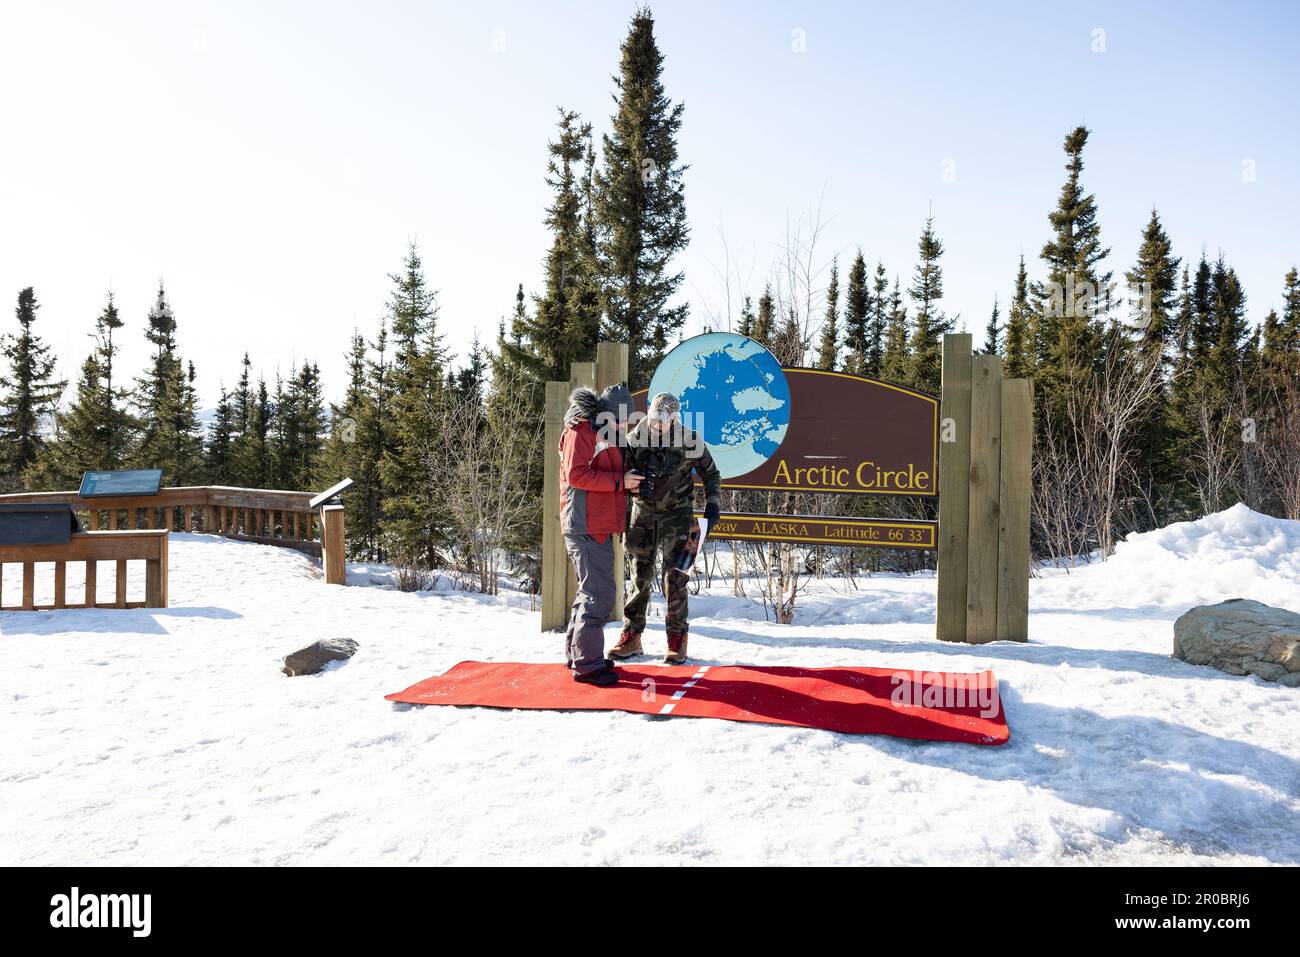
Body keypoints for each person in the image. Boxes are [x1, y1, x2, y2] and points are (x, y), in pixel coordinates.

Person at [611, 392, 721, 664]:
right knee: (639, 577)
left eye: (663, 420)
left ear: (674, 419)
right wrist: (628, 490)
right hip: (642, 514)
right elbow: (620, 478)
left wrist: (713, 504)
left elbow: (711, 473)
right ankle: (632, 635)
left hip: (677, 515)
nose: (656, 424)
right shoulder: (634, 439)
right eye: (653, 418)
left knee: (675, 577)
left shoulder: (690, 440)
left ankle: (676, 639)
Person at [558, 382, 641, 686]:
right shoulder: (581, 432)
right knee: (599, 595)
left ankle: (579, 655)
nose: (623, 424)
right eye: (619, 418)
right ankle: (589, 666)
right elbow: (575, 475)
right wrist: (621, 482)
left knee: (590, 591)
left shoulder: (605, 433)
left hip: (599, 523)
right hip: (585, 524)